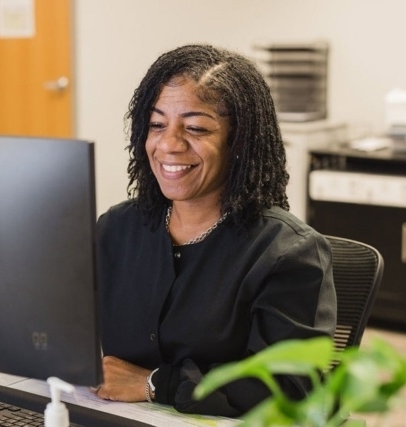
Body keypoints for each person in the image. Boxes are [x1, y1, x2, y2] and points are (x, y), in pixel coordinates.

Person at [91, 44, 337, 417]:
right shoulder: (117, 229)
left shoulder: (287, 252)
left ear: (238, 144)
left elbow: (291, 389)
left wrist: (155, 384)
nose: (169, 144)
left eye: (195, 128)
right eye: (157, 125)